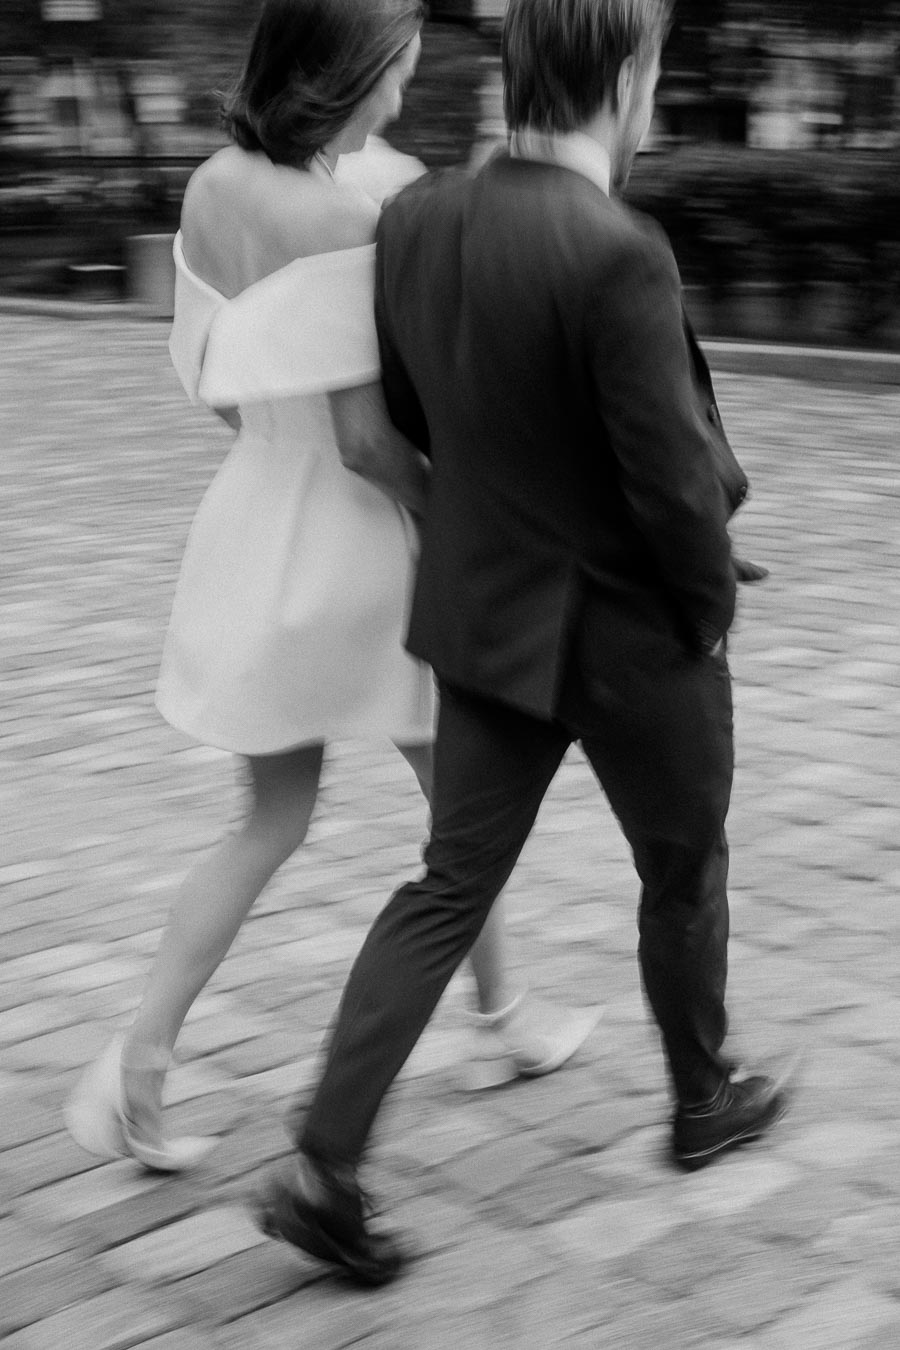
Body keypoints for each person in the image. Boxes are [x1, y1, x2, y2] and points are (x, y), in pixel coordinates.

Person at [253, 0, 793, 1287]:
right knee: (682, 869)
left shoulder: (422, 221)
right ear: (625, 73)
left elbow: (421, 409)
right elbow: (667, 484)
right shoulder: (621, 248)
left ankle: (324, 1162)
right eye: (655, 69)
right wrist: (707, 605)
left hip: (487, 620)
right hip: (630, 639)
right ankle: (702, 1095)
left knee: (448, 883)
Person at [64, 0, 597, 1175]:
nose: (402, 98)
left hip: (255, 523)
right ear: (347, 74)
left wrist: (276, 460)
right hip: (361, 551)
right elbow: (367, 444)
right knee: (465, 806)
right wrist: (457, 518)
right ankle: (506, 1024)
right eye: (396, 75)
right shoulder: (341, 214)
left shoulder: (212, 184)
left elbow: (207, 381)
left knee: (271, 819)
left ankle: (135, 1066)